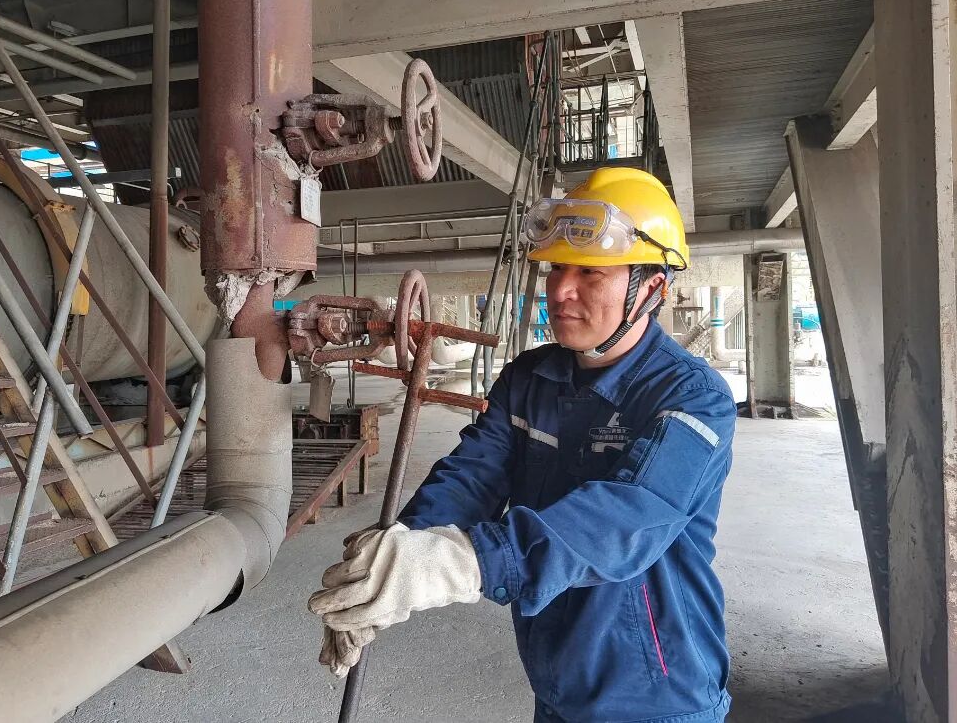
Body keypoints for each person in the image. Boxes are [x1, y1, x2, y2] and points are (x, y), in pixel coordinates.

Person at [309, 167, 737, 723]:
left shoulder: (693, 397)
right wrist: (399, 558)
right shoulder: (530, 378)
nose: (560, 291)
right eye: (557, 267)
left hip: (656, 694)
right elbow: (474, 474)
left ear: (651, 288)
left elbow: (628, 517)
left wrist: (465, 562)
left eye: (590, 272)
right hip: (553, 678)